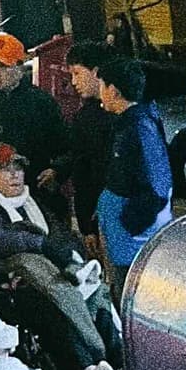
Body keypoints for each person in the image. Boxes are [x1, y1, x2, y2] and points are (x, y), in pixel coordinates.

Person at [0, 142, 121, 370]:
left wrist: (66, 252)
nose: (15, 175)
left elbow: (61, 237)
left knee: (95, 294)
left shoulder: (34, 203)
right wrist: (39, 244)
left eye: (18, 169)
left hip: (58, 278)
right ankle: (87, 368)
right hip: (15, 286)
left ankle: (117, 361)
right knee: (51, 307)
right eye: (5, 170)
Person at [96, 53, 172, 294]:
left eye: (101, 86)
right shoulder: (131, 123)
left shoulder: (139, 128)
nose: (100, 92)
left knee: (132, 293)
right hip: (126, 239)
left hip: (133, 242)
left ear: (114, 90)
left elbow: (155, 188)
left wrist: (128, 224)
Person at [0, 33, 68, 198]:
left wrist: (57, 170)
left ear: (20, 68)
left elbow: (64, 145)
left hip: (33, 190)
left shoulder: (41, 102)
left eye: (4, 65)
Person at [63, 42, 118, 241]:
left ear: (95, 72)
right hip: (107, 219)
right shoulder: (86, 116)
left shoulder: (127, 114)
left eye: (77, 73)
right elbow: (82, 172)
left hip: (115, 220)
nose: (73, 82)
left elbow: (86, 174)